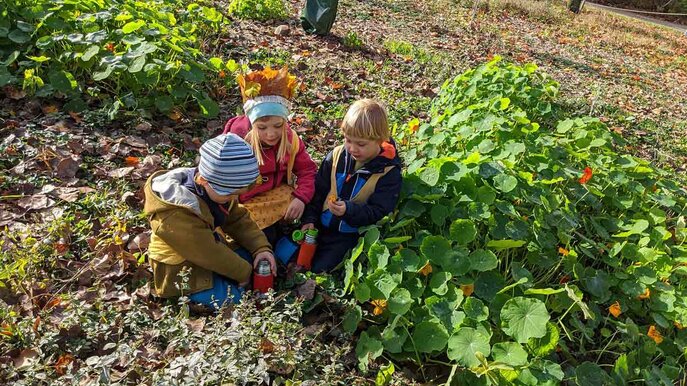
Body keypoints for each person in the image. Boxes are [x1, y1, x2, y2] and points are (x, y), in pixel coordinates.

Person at [143, 133, 277, 309]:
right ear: (203, 180)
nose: (233, 198)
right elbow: (207, 251)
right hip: (181, 270)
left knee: (254, 260)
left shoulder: (219, 193)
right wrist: (244, 273)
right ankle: (191, 297)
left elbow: (237, 219)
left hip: (210, 252)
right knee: (238, 302)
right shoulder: (176, 214)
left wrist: (260, 248)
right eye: (229, 193)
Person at [300, 99, 402, 273]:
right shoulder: (337, 156)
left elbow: (379, 211)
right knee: (288, 255)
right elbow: (319, 191)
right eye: (348, 140)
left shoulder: (388, 172)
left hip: (348, 235)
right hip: (320, 226)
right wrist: (309, 219)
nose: (352, 148)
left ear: (380, 140)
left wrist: (349, 210)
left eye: (361, 144)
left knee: (320, 269)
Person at [223, 66, 317, 247]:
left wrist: (301, 198)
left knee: (274, 231)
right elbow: (218, 176)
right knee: (250, 237)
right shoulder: (236, 138)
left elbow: (308, 171)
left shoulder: (291, 140)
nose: (271, 134)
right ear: (252, 124)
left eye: (277, 125)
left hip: (273, 197)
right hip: (241, 201)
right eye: (262, 128)